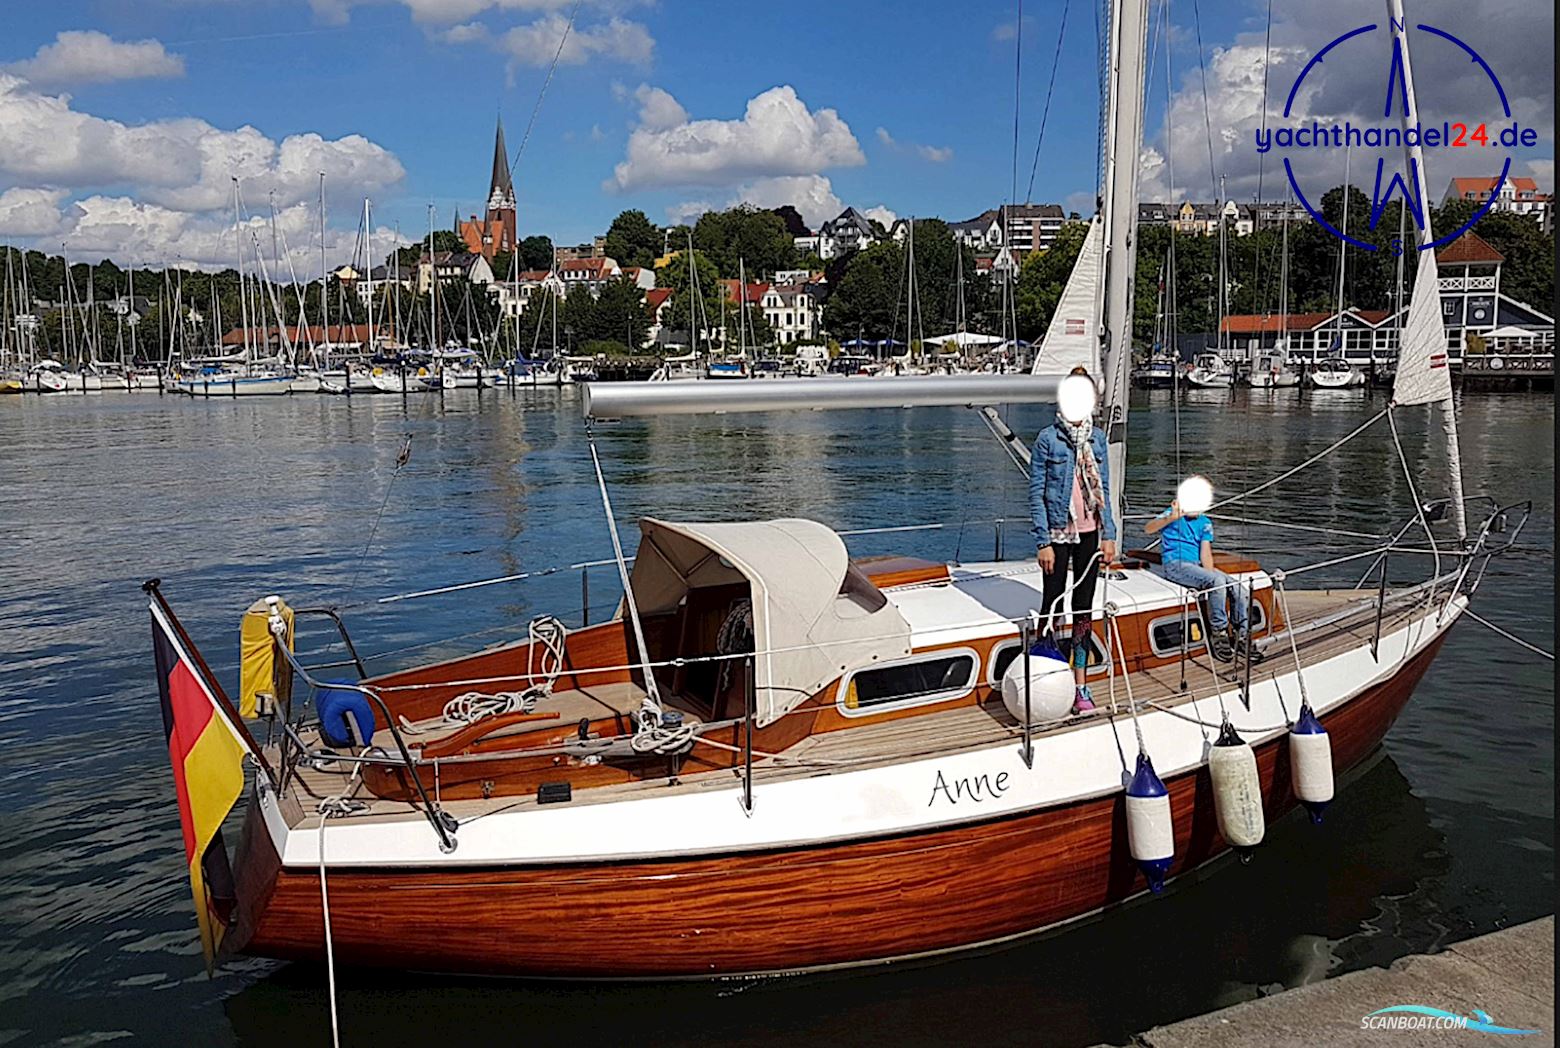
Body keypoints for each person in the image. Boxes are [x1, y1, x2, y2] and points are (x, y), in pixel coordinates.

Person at [1029, 368, 1117, 714]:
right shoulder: (1047, 439)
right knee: (1052, 601)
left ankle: (1080, 685)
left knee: (1083, 607)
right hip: (1056, 532)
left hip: (1090, 533)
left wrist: (1108, 535)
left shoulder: (1097, 439)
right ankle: (1045, 674)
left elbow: (1103, 489)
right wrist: (1042, 542)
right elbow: (1036, 493)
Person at [1144, 476, 1262, 664]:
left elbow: (1205, 553)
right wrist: (1170, 518)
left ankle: (1242, 634)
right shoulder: (1172, 514)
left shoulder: (1205, 522)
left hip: (1196, 565)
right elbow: (1148, 529)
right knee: (1217, 582)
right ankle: (1219, 632)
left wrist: (1211, 573)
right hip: (1176, 565)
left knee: (1239, 588)